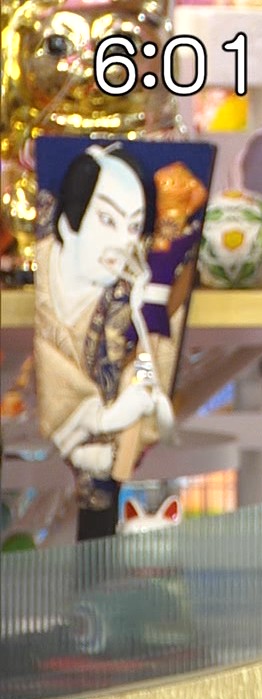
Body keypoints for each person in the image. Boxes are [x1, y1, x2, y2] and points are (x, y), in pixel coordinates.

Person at [33, 143, 175, 491]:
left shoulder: (134, 288)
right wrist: (100, 418)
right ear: (69, 223)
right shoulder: (46, 268)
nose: (123, 242)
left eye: (133, 227)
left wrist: (142, 385)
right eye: (108, 220)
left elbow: (145, 355)